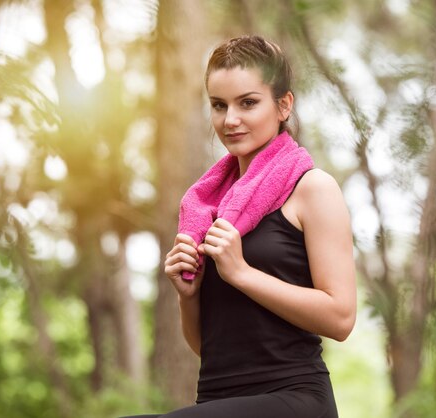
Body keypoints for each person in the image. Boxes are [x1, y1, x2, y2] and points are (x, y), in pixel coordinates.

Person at [122, 35, 356, 418]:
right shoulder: (209, 207)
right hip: (216, 397)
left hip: (292, 397)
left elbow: (341, 317)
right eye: (219, 105)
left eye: (248, 103)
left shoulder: (313, 189)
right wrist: (188, 295)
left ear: (284, 105)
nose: (230, 120)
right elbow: (207, 347)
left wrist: (241, 273)